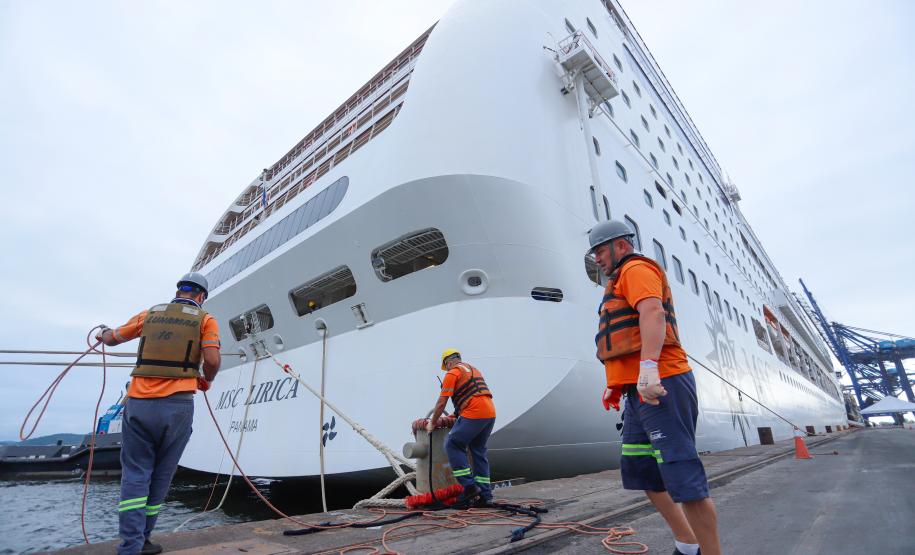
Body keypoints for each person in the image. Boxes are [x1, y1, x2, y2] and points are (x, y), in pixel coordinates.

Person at [588, 220, 721, 555]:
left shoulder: (635, 269)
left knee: (684, 480)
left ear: (620, 245)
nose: (597, 259)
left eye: (600, 251)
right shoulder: (618, 279)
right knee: (643, 472)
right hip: (638, 391)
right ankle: (688, 544)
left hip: (663, 384)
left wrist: (648, 368)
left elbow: (651, 312)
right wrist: (617, 384)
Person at [96, 272, 221, 555]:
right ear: (201, 296)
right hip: (177, 407)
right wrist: (206, 379)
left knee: (135, 475)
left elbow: (113, 339)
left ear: (179, 291)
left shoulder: (150, 314)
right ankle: (146, 539)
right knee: (162, 475)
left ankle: (130, 546)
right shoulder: (205, 320)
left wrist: (102, 332)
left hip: (139, 404)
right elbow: (211, 359)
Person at [426, 348, 496, 506]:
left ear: (448, 362)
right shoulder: (473, 369)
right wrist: (455, 414)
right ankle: (486, 496)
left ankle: (469, 487)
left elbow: (441, 402)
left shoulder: (452, 373)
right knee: (478, 450)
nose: (447, 369)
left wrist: (432, 422)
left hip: (475, 414)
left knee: (453, 444)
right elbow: (472, 395)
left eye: (446, 366)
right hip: (489, 414)